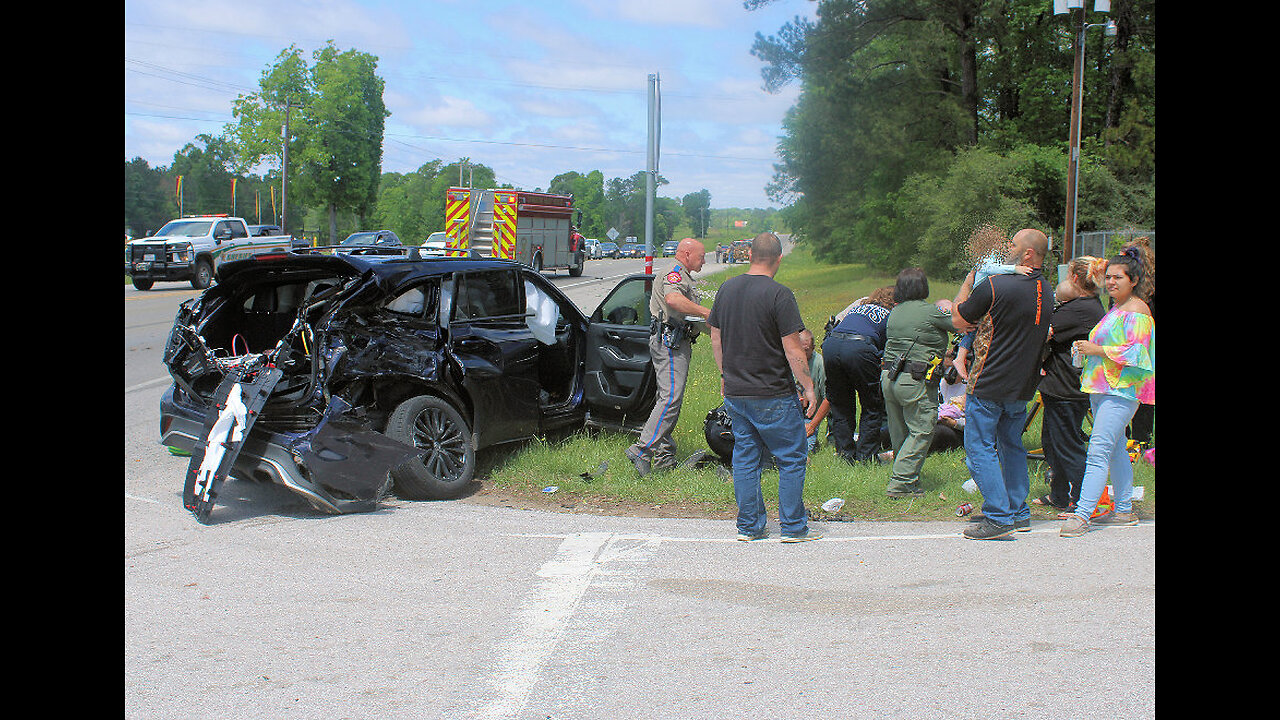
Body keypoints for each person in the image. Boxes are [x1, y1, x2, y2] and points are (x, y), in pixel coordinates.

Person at [708, 232, 821, 542]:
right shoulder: (779, 294)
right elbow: (794, 350)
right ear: (778, 259)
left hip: (736, 391)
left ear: (749, 255)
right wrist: (808, 387)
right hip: (773, 391)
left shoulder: (727, 289)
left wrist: (724, 374)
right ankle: (794, 527)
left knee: (745, 457)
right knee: (790, 457)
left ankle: (750, 527)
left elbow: (716, 337)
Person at [951, 228, 1053, 540]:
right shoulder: (1046, 289)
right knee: (1011, 446)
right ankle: (1017, 511)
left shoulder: (996, 285)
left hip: (989, 379)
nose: (1006, 247)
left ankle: (998, 515)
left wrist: (968, 283)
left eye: (1012, 244)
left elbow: (958, 319)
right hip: (1022, 384)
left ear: (1028, 254)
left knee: (978, 447)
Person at [1059, 239, 1155, 538]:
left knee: (1098, 450)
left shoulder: (1138, 310)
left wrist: (1096, 350)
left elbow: (1138, 354)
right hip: (1104, 388)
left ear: (1134, 280)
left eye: (1119, 277)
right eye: (1109, 276)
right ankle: (1123, 509)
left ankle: (1083, 514)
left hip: (1121, 390)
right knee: (1113, 450)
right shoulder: (1117, 308)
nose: (1111, 282)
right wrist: (1086, 350)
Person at [625, 238, 712, 476]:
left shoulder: (684, 276)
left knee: (667, 398)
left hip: (676, 341)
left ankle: (664, 456)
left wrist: (715, 326)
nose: (704, 260)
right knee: (670, 399)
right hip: (670, 344)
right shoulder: (674, 274)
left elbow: (688, 316)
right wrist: (707, 312)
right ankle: (642, 450)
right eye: (701, 256)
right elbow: (674, 301)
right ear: (686, 253)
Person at [1032, 257, 1107, 514]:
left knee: (1067, 445)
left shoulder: (1081, 308)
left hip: (1067, 388)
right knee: (1053, 442)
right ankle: (1059, 494)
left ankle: (1086, 500)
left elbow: (1042, 331)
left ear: (1074, 278)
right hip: (1059, 386)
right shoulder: (1084, 304)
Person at [879, 268, 958, 497]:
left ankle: (907, 477)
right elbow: (959, 324)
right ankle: (901, 483)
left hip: (890, 378)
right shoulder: (930, 312)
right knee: (923, 429)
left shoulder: (895, 312)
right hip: (915, 380)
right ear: (923, 287)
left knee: (899, 432)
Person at [822, 286, 894, 464]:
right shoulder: (890, 315)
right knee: (871, 405)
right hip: (860, 348)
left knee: (840, 404)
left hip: (832, 345)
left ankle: (845, 453)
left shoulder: (858, 307)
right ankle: (866, 456)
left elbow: (834, 322)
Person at [954, 238, 1033, 382]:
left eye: (1012, 245)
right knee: (972, 329)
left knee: (976, 330)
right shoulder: (988, 258)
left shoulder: (1002, 260)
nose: (1009, 247)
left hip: (991, 299)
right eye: (1008, 244)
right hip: (980, 298)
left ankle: (963, 357)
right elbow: (991, 269)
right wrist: (1015, 269)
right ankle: (960, 357)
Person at [799, 329, 830, 455]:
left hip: (809, 418)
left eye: (806, 350)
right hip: (788, 416)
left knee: (804, 452)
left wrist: (812, 426)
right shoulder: (788, 360)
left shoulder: (820, 364)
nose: (802, 353)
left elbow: (829, 398)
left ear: (813, 348)